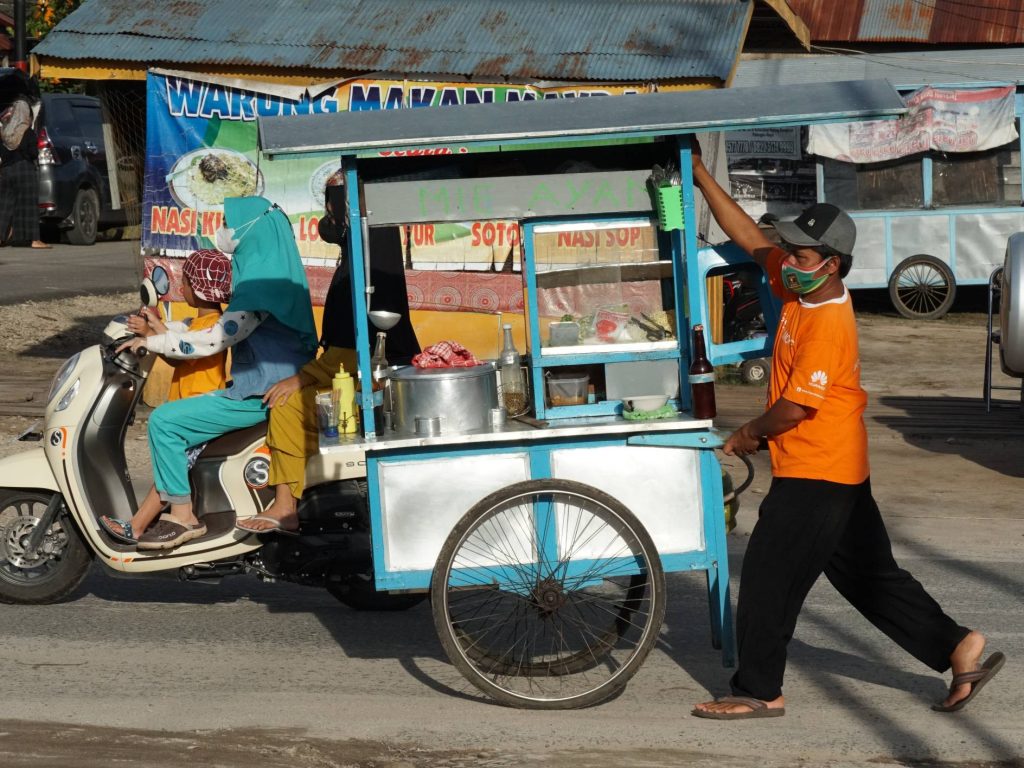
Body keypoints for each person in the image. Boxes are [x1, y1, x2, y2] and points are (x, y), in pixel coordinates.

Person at [687, 142, 1003, 719]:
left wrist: (746, 434)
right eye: (791, 249)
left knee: (766, 578)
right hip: (840, 466)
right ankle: (959, 647)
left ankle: (758, 690)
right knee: (870, 577)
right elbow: (754, 242)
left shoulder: (829, 323)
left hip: (817, 472)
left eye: (801, 254)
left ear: (831, 263)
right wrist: (702, 178)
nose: (788, 258)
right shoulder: (801, 284)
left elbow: (793, 412)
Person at [117, 196, 318, 550]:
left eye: (231, 224)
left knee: (165, 421)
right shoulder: (277, 279)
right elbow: (205, 329)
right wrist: (161, 335)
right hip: (262, 387)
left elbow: (215, 338)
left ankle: (182, 515)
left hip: (261, 394)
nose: (224, 231)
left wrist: (158, 343)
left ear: (254, 232)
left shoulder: (261, 289)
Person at [237, 178, 420, 534]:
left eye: (330, 206)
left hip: (371, 382)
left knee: (288, 405)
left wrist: (301, 377)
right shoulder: (364, 256)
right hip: (360, 372)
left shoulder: (363, 269)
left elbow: (352, 353)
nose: (326, 217)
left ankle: (286, 506)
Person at [99, 249, 232, 544]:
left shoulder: (210, 328)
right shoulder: (199, 324)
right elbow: (178, 351)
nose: (181, 288)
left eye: (185, 282)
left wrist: (153, 336)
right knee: (168, 465)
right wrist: (153, 330)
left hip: (198, 414)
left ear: (198, 288)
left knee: (170, 468)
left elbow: (182, 351)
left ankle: (136, 526)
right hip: (188, 409)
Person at [0, 95, 49, 249]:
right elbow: (33, 153)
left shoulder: (5, 133)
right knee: (28, 205)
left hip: (6, 171)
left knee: (5, 206)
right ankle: (34, 240)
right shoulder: (27, 132)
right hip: (25, 170)